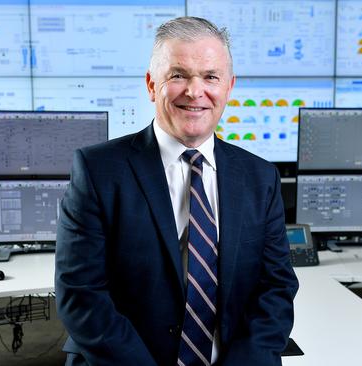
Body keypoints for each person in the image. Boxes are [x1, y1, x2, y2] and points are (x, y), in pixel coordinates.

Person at [55, 16, 299, 366]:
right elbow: (81, 296)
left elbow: (276, 289)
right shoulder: (98, 171)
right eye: (178, 75)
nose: (195, 91)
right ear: (152, 84)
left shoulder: (260, 178)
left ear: (229, 87)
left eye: (210, 77)